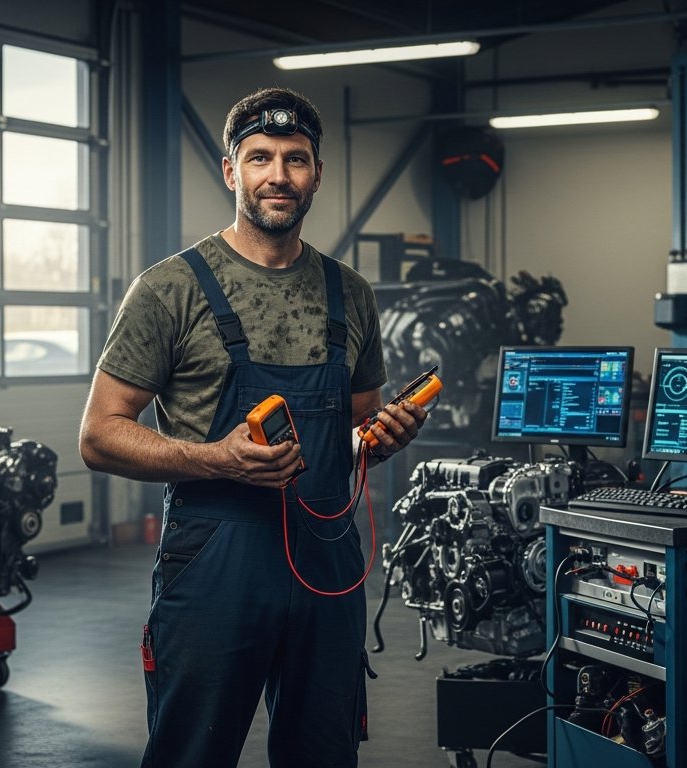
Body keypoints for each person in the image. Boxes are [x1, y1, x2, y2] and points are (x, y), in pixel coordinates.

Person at [79, 87, 428, 768]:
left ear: (317, 174)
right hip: (216, 561)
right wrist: (218, 459)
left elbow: (357, 430)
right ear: (230, 170)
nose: (279, 175)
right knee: (193, 753)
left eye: (296, 159)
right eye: (260, 157)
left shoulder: (349, 293)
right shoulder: (169, 289)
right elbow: (98, 435)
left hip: (327, 557)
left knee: (324, 755)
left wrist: (381, 439)